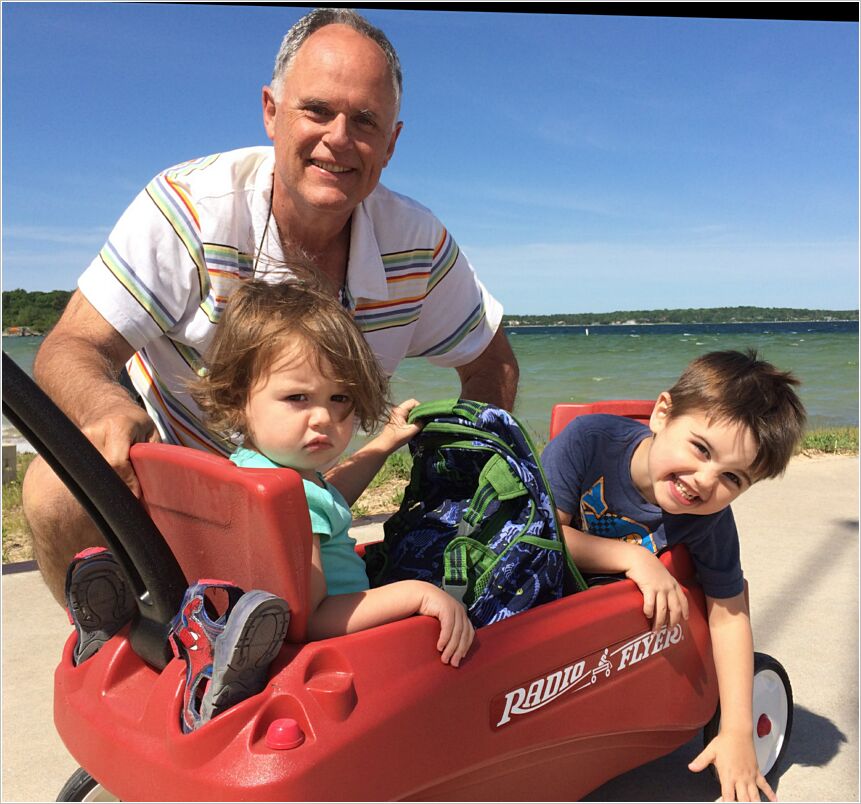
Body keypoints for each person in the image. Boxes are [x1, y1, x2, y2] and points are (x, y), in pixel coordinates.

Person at [23, 7, 519, 605]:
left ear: (391, 143)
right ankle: (116, 656)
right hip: (168, 487)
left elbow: (493, 364)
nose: (339, 138)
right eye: (317, 110)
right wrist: (105, 410)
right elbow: (71, 346)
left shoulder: (418, 245)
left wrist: (460, 483)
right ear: (271, 112)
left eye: (364, 120)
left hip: (304, 492)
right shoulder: (191, 207)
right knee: (55, 487)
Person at [540, 350, 806, 803]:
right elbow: (539, 538)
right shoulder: (589, 441)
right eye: (700, 449)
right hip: (548, 599)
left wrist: (738, 729)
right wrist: (633, 559)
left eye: (732, 479)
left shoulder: (709, 520)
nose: (704, 481)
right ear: (662, 413)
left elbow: (728, 613)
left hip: (610, 633)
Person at [190, 278, 474, 666]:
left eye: (339, 397)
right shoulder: (287, 497)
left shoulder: (257, 469)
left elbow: (328, 500)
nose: (323, 417)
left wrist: (383, 443)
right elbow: (314, 619)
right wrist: (418, 594)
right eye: (297, 398)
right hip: (342, 650)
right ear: (237, 398)